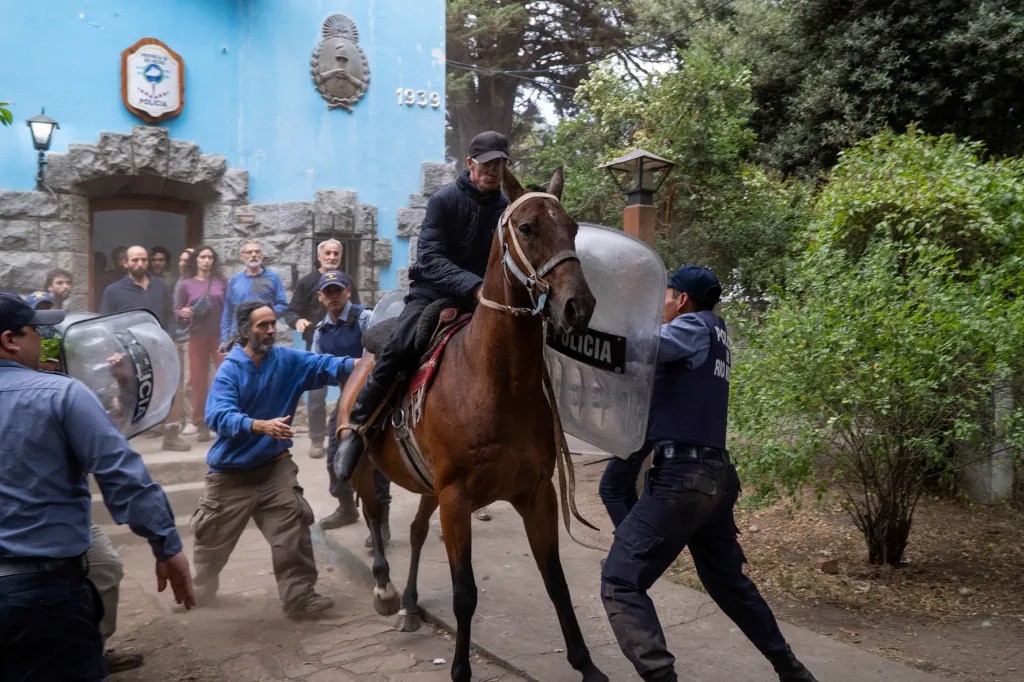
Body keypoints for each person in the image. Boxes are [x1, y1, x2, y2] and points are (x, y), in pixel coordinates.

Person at [599, 266, 817, 682]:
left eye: (665, 294)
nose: (660, 302)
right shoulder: (717, 337)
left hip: (684, 477)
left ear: (681, 299)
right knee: (729, 584)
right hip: (714, 477)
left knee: (620, 580)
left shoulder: (694, 326)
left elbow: (642, 347)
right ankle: (791, 670)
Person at [0, 292, 195, 681]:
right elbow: (120, 472)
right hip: (42, 591)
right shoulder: (60, 393)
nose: (43, 340)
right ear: (10, 340)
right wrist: (166, 544)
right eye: (36, 331)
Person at [334, 130, 511, 481]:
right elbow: (429, 258)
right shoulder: (443, 200)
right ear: (470, 163)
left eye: (501, 164)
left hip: (486, 301)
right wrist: (472, 285)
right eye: (488, 164)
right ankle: (358, 428)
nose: (494, 171)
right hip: (434, 292)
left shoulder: (506, 209)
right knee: (400, 347)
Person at [193, 301, 360, 617]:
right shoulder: (229, 369)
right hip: (230, 474)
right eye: (262, 325)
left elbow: (325, 364)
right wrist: (257, 425)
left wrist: (364, 363)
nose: (271, 330)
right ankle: (198, 591)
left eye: (273, 324)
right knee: (211, 542)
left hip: (274, 468)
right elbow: (217, 415)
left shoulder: (286, 360)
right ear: (245, 330)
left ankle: (300, 598)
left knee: (292, 531)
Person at [309, 271, 392, 542]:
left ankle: (381, 522)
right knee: (334, 456)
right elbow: (316, 366)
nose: (333, 297)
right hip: (347, 397)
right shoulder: (321, 331)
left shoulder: (365, 318)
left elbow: (384, 354)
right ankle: (346, 508)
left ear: (348, 292)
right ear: (321, 297)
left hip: (375, 397)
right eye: (327, 292)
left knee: (376, 458)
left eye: (337, 291)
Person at [99, 245, 189, 452]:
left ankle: (171, 436)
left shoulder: (160, 286)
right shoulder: (113, 291)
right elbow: (105, 322)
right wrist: (114, 350)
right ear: (125, 263)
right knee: (129, 394)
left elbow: (169, 316)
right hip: (129, 351)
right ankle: (123, 441)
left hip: (160, 349)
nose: (140, 263)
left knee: (170, 389)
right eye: (135, 260)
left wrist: (170, 338)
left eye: (143, 260)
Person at [285, 239, 362, 459]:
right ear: (319, 256)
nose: (331, 257)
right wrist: (297, 321)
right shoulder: (307, 281)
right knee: (317, 396)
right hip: (317, 347)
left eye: (335, 253)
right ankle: (317, 439)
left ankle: (349, 436)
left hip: (348, 347)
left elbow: (355, 309)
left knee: (353, 392)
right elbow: (291, 311)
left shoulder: (347, 281)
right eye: (327, 253)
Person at [176, 245, 227, 443]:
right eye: (202, 257)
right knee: (197, 380)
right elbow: (178, 313)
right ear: (195, 259)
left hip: (219, 336)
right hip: (196, 335)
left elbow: (229, 308)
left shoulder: (222, 282)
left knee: (224, 377)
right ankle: (201, 423)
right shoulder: (185, 284)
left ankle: (222, 419)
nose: (206, 260)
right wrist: (183, 313)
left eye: (210, 257)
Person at [219, 241, 288, 349]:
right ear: (242, 257)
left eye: (257, 251)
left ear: (262, 255)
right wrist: (224, 340)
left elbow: (283, 306)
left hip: (264, 334)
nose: (254, 255)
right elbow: (227, 312)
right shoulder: (235, 281)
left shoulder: (273, 278)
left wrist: (263, 315)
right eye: (249, 252)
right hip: (238, 336)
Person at [173, 248, 196, 434]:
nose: (183, 263)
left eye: (187, 260)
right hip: (174, 337)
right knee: (177, 381)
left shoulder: (197, 283)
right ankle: (179, 419)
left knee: (189, 381)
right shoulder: (177, 282)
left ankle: (191, 420)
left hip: (190, 337)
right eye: (181, 259)